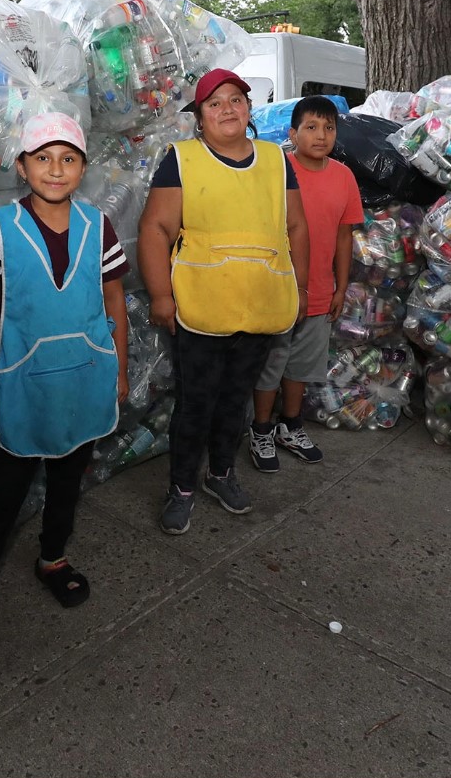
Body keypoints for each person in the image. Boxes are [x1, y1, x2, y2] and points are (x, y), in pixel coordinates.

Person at [0, 113, 129, 662]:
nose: (55, 169)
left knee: (68, 482)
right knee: (4, 494)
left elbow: (114, 303)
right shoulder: (2, 228)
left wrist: (121, 368)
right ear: (22, 166)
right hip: (26, 384)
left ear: (82, 168)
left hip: (87, 379)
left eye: (68, 159)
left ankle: (53, 558)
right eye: (42, 158)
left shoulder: (97, 227)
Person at [137, 69, 309, 536]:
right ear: (200, 118)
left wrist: (302, 288)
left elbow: (295, 227)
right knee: (196, 402)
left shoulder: (276, 159)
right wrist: (160, 295)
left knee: (236, 400)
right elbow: (155, 229)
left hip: (261, 305)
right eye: (215, 103)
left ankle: (220, 474)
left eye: (236, 99)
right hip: (201, 308)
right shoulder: (182, 159)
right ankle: (182, 488)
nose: (227, 108)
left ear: (249, 109)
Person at [249, 96, 364, 470]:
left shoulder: (344, 176)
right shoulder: (276, 170)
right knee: (271, 364)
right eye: (311, 127)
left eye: (329, 128)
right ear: (292, 133)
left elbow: (344, 237)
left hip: (318, 290)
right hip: (278, 288)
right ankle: (261, 429)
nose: (321, 135)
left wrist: (340, 287)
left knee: (300, 367)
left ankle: (290, 426)